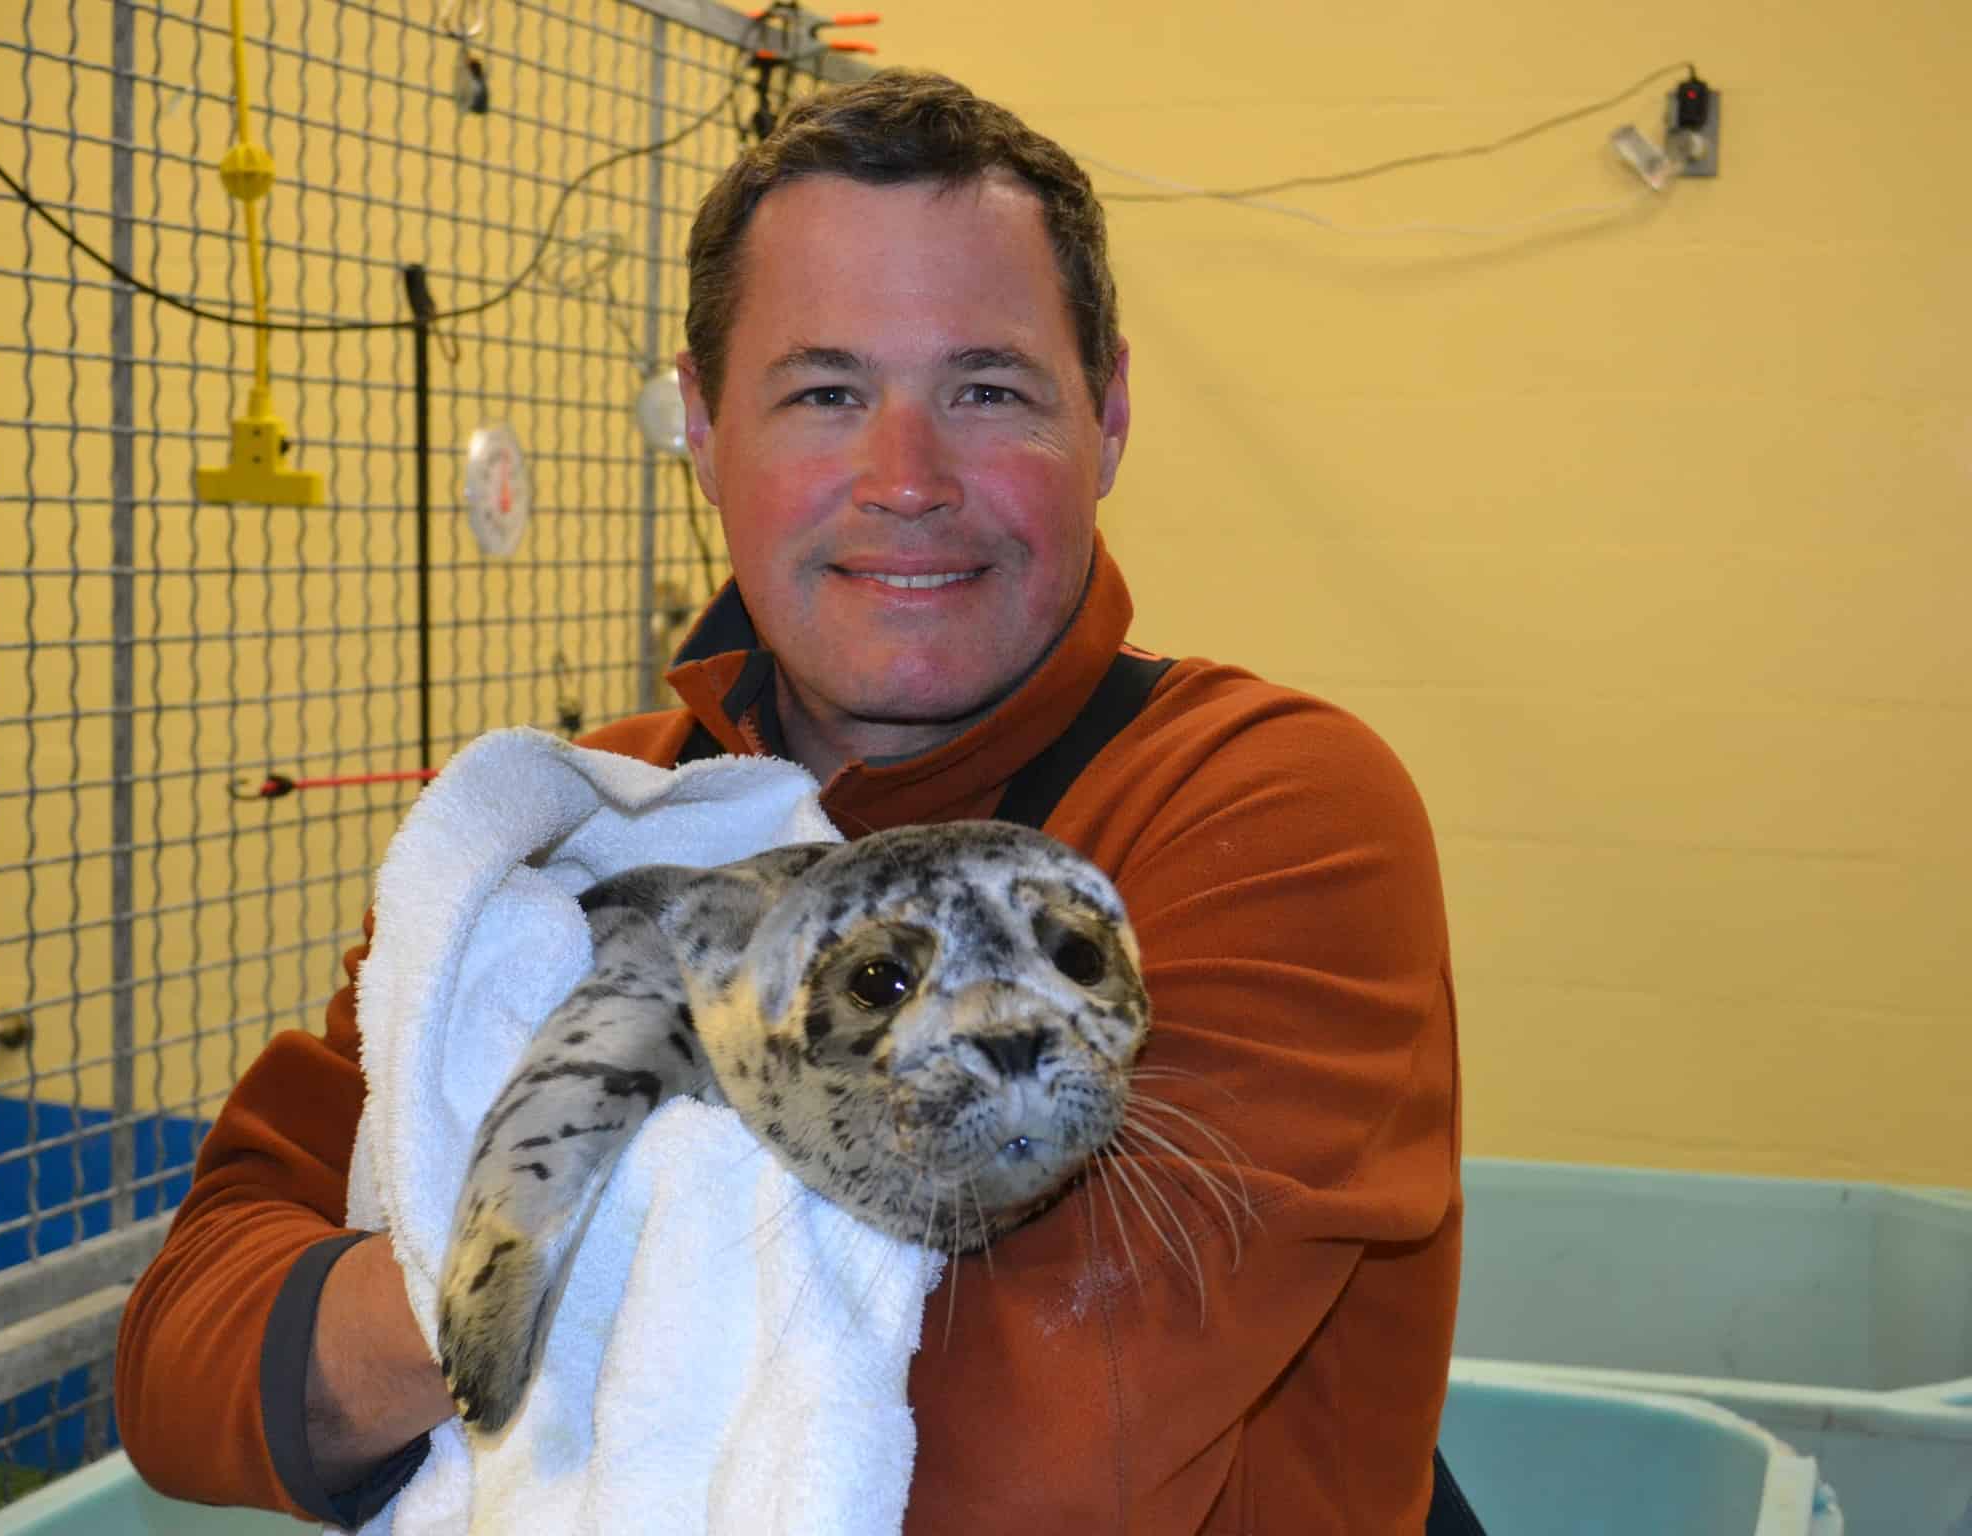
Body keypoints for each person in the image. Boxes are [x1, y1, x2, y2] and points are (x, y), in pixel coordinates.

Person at [115, 69, 1461, 1533]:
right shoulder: (572, 833)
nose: (906, 479)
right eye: (826, 392)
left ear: (1112, 415)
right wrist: (544, 1277)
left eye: (987, 389)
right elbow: (190, 1372)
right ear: (703, 430)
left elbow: (1014, 1475)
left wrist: (518, 1243)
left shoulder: (1256, 808)